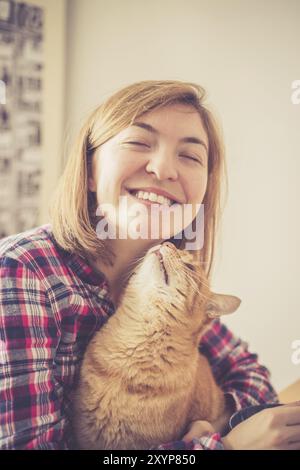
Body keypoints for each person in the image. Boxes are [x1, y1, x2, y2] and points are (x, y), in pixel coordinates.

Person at [0, 80, 299, 450]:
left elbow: (253, 377)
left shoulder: (168, 280)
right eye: (139, 142)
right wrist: (221, 448)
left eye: (190, 156)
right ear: (90, 169)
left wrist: (214, 422)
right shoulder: (22, 273)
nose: (163, 169)